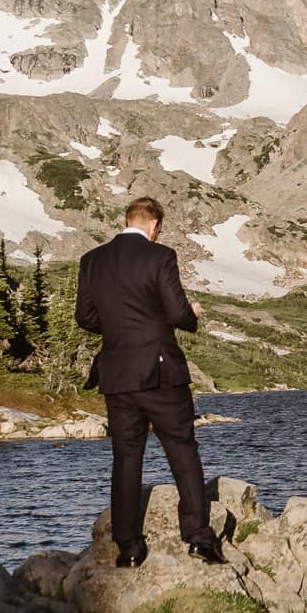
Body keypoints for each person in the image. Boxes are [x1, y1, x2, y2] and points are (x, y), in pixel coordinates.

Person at [75, 196, 225, 567]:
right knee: (182, 450)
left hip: (117, 374)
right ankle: (197, 538)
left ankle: (129, 547)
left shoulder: (92, 261)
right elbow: (175, 312)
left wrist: (118, 326)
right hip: (160, 372)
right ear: (154, 225)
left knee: (126, 458)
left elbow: (85, 317)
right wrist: (190, 316)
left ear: (128, 219)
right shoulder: (160, 257)